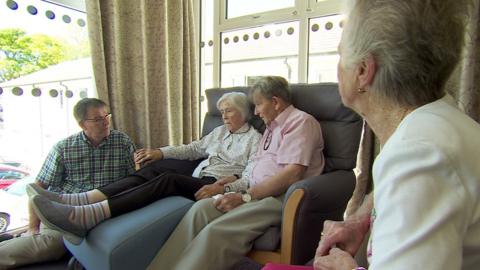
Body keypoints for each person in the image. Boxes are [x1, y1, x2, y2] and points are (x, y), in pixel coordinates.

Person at [312, 0, 480, 269]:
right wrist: (360, 219)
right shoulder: (434, 126)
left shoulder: (418, 154)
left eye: (341, 54)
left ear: (363, 71)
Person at [30, 92, 262, 245]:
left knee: (169, 179)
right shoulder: (219, 132)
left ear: (243, 112)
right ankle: (82, 199)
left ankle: (91, 214)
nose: (223, 116)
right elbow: (192, 149)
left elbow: (253, 174)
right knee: (152, 169)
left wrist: (230, 184)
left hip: (214, 186)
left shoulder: (255, 139)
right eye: (220, 111)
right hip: (198, 175)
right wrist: (159, 152)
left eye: (228, 111)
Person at [147, 76, 326, 270]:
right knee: (199, 211)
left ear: (275, 102)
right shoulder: (270, 128)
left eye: (258, 105)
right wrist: (231, 186)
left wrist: (245, 197)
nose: (256, 112)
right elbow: (253, 169)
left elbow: (292, 175)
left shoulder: (300, 123)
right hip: (254, 191)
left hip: (278, 197)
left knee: (216, 232)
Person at [0, 98, 136, 269]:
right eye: (98, 119)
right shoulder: (64, 148)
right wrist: (32, 227)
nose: (105, 122)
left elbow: (135, 179)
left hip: (103, 209)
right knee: (51, 245)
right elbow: (38, 189)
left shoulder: (122, 142)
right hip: (66, 211)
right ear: (82, 124)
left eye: (106, 116)